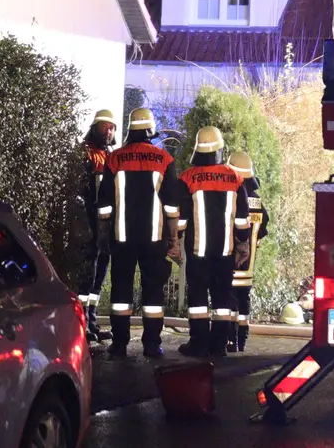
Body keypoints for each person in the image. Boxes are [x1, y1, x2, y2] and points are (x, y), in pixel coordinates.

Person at [97, 107, 182, 357]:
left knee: (120, 291)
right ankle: (152, 344)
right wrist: (173, 238)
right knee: (153, 290)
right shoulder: (165, 160)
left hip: (121, 237)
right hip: (154, 238)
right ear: (150, 130)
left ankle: (120, 343)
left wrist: (103, 234)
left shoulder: (114, 159)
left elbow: (104, 204)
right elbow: (171, 207)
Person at [177, 128, 252, 356]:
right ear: (220, 149)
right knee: (222, 298)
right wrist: (243, 243)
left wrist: (174, 240)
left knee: (198, 298)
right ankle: (219, 346)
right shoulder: (236, 178)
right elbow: (242, 220)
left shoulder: (188, 178)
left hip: (197, 251)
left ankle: (198, 344)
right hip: (225, 251)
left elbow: (181, 219)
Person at [77, 109, 119, 341]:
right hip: (89, 225)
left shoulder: (111, 155)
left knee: (100, 274)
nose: (109, 131)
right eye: (105, 127)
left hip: (106, 227)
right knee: (87, 274)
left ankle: (91, 322)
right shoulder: (86, 154)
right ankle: (82, 324)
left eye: (112, 128)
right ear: (95, 128)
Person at [227, 149, 270, 352]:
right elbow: (263, 228)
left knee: (228, 300)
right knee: (243, 301)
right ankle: (241, 340)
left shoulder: (232, 198)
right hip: (248, 267)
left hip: (229, 261)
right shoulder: (258, 202)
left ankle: (229, 338)